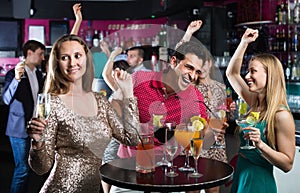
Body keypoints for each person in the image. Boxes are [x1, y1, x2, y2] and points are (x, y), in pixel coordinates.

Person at [26, 34, 140, 193]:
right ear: (57, 63)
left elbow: (132, 138)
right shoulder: (52, 103)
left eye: (77, 56)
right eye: (65, 57)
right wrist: (37, 142)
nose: (73, 63)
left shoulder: (100, 101)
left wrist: (128, 92)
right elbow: (41, 168)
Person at [226, 28, 295, 193]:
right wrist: (244, 43)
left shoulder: (281, 115)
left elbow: (287, 164)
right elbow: (232, 73)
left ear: (269, 75)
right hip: (242, 174)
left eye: (253, 71)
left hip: (258, 181)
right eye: (248, 71)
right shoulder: (255, 102)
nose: (247, 76)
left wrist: (261, 145)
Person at [176, 19, 236, 193]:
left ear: (210, 65)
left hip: (217, 146)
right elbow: (180, 58)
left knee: (213, 190)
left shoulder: (220, 87)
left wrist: (230, 112)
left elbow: (225, 115)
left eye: (205, 64)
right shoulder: (190, 86)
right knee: (192, 188)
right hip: (197, 143)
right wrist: (188, 33)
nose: (201, 69)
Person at [2, 40, 45, 193]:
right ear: (29, 53)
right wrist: (16, 79)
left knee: (28, 169)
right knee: (22, 169)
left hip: (33, 127)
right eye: (40, 54)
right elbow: (6, 99)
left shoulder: (38, 74)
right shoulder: (13, 73)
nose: (43, 58)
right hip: (18, 128)